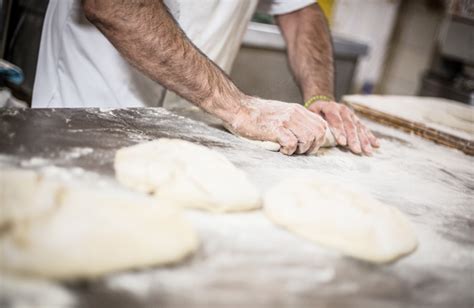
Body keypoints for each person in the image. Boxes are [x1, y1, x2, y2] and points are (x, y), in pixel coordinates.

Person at [32, 0, 379, 156]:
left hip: (191, 127)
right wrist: (240, 108)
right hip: (82, 117)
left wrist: (319, 95)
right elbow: (113, 5)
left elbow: (300, 11)